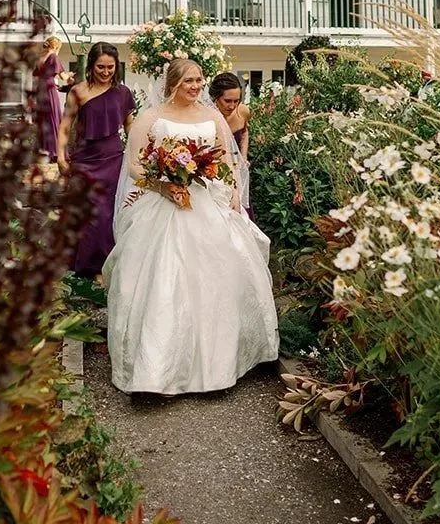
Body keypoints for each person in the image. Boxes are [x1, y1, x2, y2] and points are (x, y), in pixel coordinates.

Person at [103, 58, 279, 395]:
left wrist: (232, 195)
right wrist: (164, 184)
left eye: (199, 80)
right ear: (173, 83)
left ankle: (215, 367)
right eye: (189, 81)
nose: (196, 87)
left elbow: (228, 162)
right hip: (163, 203)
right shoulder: (151, 118)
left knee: (217, 278)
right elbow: (135, 167)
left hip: (205, 201)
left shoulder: (213, 116)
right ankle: (155, 369)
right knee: (162, 278)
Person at [58, 43, 135, 277]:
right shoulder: (77, 92)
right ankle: (83, 265)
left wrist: (140, 152)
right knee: (87, 212)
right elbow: (64, 127)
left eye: (110, 67)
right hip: (84, 160)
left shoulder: (123, 93)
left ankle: (105, 265)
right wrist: (61, 156)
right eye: (100, 66)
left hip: (113, 158)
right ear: (91, 66)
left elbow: (130, 124)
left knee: (107, 213)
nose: (105, 71)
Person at [210, 70, 254, 220]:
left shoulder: (243, 111)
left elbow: (245, 132)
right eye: (227, 101)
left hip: (237, 167)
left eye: (236, 101)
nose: (232, 106)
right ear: (216, 98)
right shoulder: (207, 116)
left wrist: (244, 155)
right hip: (214, 170)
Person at [35, 35, 68, 161]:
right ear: (55, 47)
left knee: (43, 120)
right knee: (53, 119)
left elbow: (38, 75)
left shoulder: (40, 58)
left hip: (40, 89)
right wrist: (72, 78)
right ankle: (55, 152)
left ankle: (44, 150)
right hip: (49, 90)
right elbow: (63, 77)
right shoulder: (53, 56)